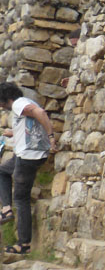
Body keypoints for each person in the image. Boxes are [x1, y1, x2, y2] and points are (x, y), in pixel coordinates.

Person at [0, 81, 58, 256]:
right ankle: (6, 209)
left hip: (28, 156)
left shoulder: (18, 104)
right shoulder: (26, 102)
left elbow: (40, 113)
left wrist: (51, 136)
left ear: (5, 98)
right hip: (27, 154)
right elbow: (33, 123)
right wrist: (14, 132)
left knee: (21, 199)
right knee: (2, 171)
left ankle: (23, 244)